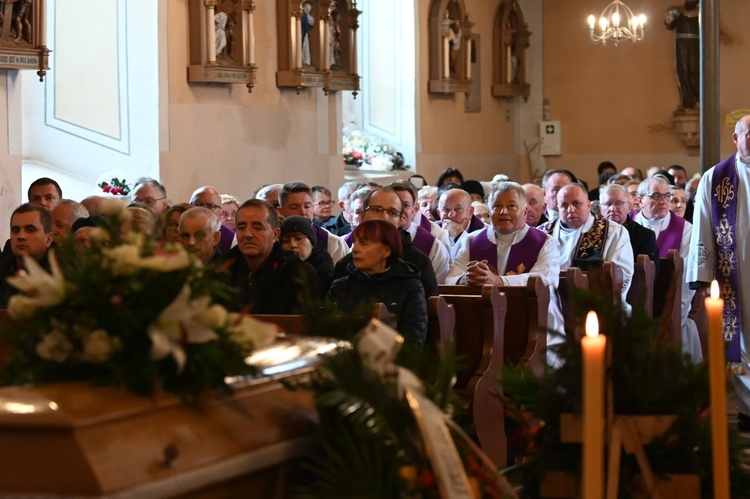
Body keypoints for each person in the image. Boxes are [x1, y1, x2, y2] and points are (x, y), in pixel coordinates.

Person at [445, 182, 565, 361]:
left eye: (511, 206)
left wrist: (499, 282)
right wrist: (467, 278)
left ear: (524, 212)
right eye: (497, 206)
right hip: (482, 321)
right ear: (489, 212)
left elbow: (544, 279)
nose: (503, 212)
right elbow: (450, 278)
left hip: (535, 323)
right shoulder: (471, 241)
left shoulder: (545, 243)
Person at [688, 115, 750, 428]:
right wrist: (702, 273)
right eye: (749, 133)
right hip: (736, 275)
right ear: (736, 138)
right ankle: (748, 409)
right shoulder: (716, 178)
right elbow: (701, 228)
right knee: (742, 342)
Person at [329, 219, 427, 347]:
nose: (355, 249)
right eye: (354, 242)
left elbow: (414, 341)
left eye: (363, 243)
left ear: (386, 251)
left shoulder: (410, 287)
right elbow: (326, 334)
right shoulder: (340, 287)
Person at [635, 176, 701, 361]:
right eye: (656, 195)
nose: (664, 201)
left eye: (667, 196)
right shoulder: (627, 226)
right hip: (635, 313)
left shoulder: (685, 230)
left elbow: (686, 278)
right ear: (640, 200)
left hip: (672, 313)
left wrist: (673, 316)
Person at [333, 187, 439, 299]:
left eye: (392, 212)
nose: (384, 217)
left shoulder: (418, 262)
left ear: (400, 220)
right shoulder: (346, 265)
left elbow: (428, 310)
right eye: (377, 209)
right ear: (363, 216)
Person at [539, 183, 634, 304]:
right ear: (558, 208)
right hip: (549, 303)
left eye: (576, 203)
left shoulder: (614, 232)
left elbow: (622, 274)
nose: (571, 209)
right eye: (564, 205)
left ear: (588, 205)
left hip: (599, 304)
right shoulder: (541, 233)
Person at [222, 199, 318, 313]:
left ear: (275, 234)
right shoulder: (221, 269)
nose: (248, 234)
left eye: (258, 228)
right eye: (241, 228)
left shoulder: (299, 274)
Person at [391, 181, 451, 284]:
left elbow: (438, 290)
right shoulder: (370, 238)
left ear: (415, 209)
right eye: (393, 205)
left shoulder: (435, 246)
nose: (398, 210)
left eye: (405, 205)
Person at [278, 182, 349, 265]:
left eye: (307, 206)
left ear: (312, 207)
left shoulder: (333, 243)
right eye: (294, 207)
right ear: (281, 211)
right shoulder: (272, 241)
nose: (303, 212)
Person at [0, 204, 55, 308]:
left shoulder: (63, 277)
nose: (21, 236)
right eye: (15, 230)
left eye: (30, 230)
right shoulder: (2, 268)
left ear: (48, 239)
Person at [599, 184, 659, 274]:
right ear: (600, 209)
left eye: (619, 203)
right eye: (608, 204)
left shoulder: (645, 236)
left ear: (630, 206)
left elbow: (649, 274)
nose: (612, 209)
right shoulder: (589, 233)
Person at [279, 215, 334, 295]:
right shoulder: (277, 271)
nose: (292, 245)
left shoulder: (325, 272)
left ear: (312, 242)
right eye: (285, 241)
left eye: (298, 238)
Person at [665, 0, 699, 112]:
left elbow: (712, 26)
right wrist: (669, 19)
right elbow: (669, 25)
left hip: (696, 43)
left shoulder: (701, 12)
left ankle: (698, 100)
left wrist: (722, 36)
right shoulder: (677, 11)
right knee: (682, 70)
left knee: (695, 70)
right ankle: (687, 102)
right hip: (681, 43)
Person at [438, 188, 484, 259]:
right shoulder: (432, 231)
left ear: (470, 212)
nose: (451, 215)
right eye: (446, 210)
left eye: (458, 209)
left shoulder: (485, 233)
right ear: (439, 213)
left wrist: (458, 234)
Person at [190, 186, 235, 254]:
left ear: (221, 213)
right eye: (197, 204)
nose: (203, 210)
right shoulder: (179, 232)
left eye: (210, 206)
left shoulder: (232, 240)